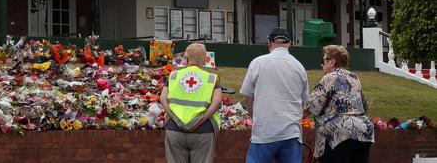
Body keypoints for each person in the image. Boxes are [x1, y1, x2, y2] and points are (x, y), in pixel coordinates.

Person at [240, 27, 309, 163]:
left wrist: (255, 118)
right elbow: (304, 103)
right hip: (291, 132)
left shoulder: (257, 63)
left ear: (269, 43)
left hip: (264, 131)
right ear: (289, 44)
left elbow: (248, 97)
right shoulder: (299, 67)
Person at [307, 45, 374, 163]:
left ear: (332, 61)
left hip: (340, 134)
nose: (321, 65)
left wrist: (292, 117)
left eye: (323, 61)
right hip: (363, 132)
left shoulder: (329, 77)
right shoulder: (354, 77)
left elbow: (312, 106)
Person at [160, 43, 223, 163]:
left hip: (175, 129)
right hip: (202, 131)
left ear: (186, 58)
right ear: (205, 60)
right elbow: (217, 101)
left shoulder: (173, 75)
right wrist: (201, 120)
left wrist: (173, 117)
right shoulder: (211, 78)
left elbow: (163, 98)